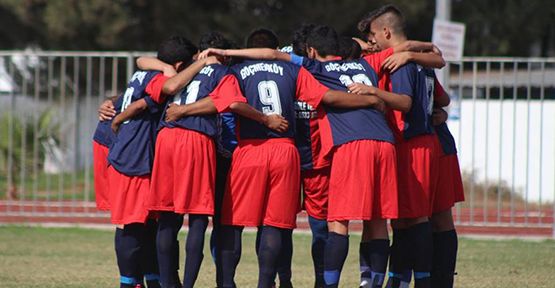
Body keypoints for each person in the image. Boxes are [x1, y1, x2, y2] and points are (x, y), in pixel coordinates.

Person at [134, 33, 288, 288]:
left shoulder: (180, 70)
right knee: (198, 217)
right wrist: (265, 119)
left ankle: (167, 284)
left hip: (165, 139)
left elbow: (146, 67)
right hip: (197, 140)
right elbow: (230, 102)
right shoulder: (222, 73)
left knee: (168, 216)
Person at [362, 5, 446, 288]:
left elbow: (405, 101)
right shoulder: (421, 60)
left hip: (413, 144)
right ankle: (400, 278)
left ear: (386, 31)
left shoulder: (401, 62)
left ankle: (420, 279)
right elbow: (442, 100)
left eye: (374, 35)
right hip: (423, 142)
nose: (372, 41)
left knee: (415, 217)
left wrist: (374, 92)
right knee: (404, 218)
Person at [429, 80, 464, 288]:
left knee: (437, 218)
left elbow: (443, 99)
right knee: (415, 221)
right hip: (419, 145)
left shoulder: (412, 61)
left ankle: (440, 280)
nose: (373, 44)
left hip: (436, 146)